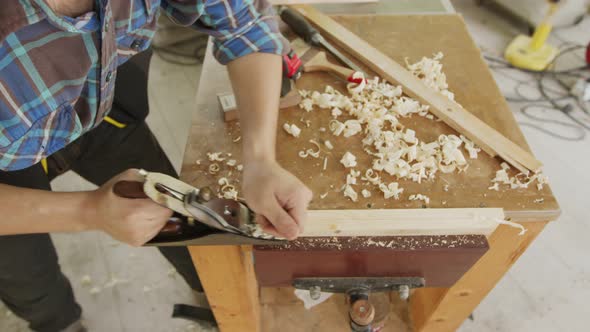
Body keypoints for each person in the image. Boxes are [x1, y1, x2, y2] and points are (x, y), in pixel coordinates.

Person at [0, 1, 313, 331]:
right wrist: (87, 211)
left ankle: (215, 293)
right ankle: (59, 323)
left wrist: (260, 159)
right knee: (26, 273)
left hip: (99, 111)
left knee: (181, 217)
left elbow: (246, 24)